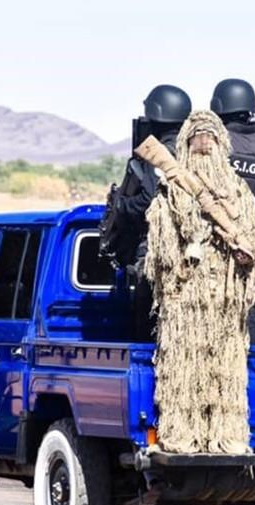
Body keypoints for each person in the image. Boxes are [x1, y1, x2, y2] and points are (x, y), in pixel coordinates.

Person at [144, 110, 255, 454]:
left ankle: (226, 435)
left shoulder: (239, 191)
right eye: (196, 138)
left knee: (225, 372)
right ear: (185, 144)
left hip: (225, 303)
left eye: (210, 137)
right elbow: (160, 248)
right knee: (184, 371)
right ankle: (182, 434)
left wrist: (245, 254)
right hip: (186, 300)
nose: (203, 143)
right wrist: (191, 239)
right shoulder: (171, 188)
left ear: (221, 144)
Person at [105, 84, 191, 341]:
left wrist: (120, 205)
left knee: (147, 310)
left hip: (159, 244)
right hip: (188, 244)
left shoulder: (161, 154)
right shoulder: (191, 151)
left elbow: (148, 201)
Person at [210, 78, 255, 343]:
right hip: (254, 234)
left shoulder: (217, 143)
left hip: (219, 237)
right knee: (250, 300)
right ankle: (252, 351)